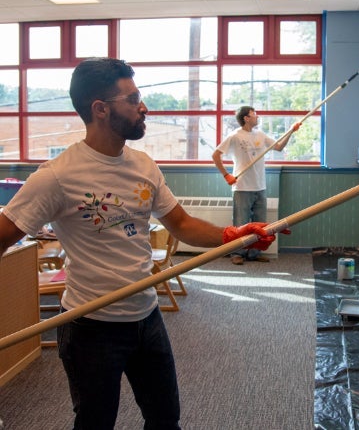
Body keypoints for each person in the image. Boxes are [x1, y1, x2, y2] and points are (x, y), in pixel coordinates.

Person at [0, 58, 277, 430]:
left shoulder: (144, 165)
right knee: (95, 423)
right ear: (101, 109)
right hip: (91, 327)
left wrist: (236, 234)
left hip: (146, 317)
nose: (144, 107)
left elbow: (181, 224)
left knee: (165, 420)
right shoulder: (58, 176)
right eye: (133, 99)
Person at [212, 106, 300, 265]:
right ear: (246, 118)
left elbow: (279, 147)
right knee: (240, 224)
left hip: (260, 186)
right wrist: (226, 175)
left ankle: (254, 253)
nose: (257, 117)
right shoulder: (235, 136)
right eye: (254, 114)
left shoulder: (260, 134)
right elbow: (216, 155)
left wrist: (291, 131)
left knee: (260, 224)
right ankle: (237, 254)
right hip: (242, 187)